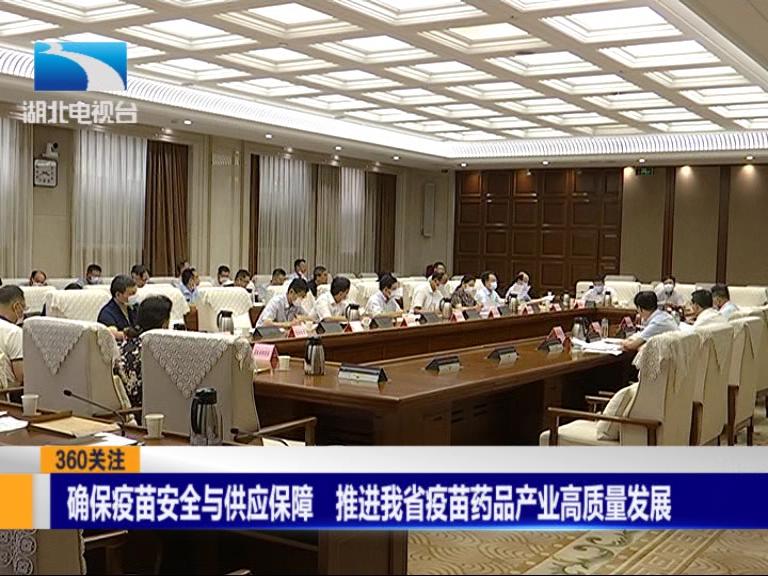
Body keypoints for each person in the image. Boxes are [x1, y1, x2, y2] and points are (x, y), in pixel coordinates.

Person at [117, 295, 172, 407]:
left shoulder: (126, 343)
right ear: (164, 324)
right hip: (144, 409)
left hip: (127, 407)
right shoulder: (155, 350)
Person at [97, 275, 138, 340]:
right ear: (118, 294)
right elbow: (112, 334)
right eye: (131, 294)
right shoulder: (106, 313)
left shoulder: (135, 306)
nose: (134, 296)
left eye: (135, 293)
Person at [0, 285, 26, 385]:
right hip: (6, 393)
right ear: (17, 307)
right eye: (24, 308)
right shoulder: (14, 332)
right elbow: (21, 377)